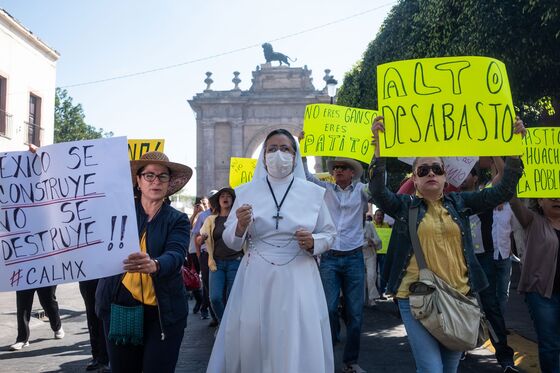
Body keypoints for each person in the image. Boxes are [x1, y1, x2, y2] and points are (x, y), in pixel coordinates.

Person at [369, 116, 524, 373]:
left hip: (458, 298)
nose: (431, 173)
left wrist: (514, 150)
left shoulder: (460, 202)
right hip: (416, 298)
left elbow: (503, 190)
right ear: (415, 181)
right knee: (432, 369)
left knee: (449, 369)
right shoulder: (404, 206)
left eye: (437, 169)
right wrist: (379, 151)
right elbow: (378, 193)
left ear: (444, 178)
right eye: (423, 170)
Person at [206, 128, 336, 373]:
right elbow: (232, 243)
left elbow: (330, 233)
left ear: (295, 156)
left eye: (285, 149)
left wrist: (314, 242)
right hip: (256, 274)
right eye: (272, 149)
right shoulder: (245, 191)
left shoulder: (313, 193)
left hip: (299, 274)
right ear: (263, 156)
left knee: (296, 332)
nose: (279, 154)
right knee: (253, 331)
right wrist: (241, 225)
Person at [95, 151, 191, 373]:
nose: (156, 181)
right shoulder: (115, 212)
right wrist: (44, 166)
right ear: (138, 181)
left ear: (169, 183)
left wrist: (156, 264)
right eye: (149, 175)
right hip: (119, 307)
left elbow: (176, 254)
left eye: (162, 176)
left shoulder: (178, 219)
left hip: (163, 313)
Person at [299, 130, 370, 372]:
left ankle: (351, 362)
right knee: (327, 309)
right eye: (335, 167)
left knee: (356, 314)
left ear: (352, 172)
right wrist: (303, 147)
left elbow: (381, 191)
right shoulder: (325, 189)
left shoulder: (363, 190)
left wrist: (378, 149)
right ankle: (326, 355)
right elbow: (305, 176)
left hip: (354, 257)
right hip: (329, 257)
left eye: (343, 167)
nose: (338, 170)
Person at [460, 161, 518, 372]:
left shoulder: (483, 198)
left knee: (491, 307)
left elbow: (504, 177)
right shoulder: (449, 199)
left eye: (468, 173)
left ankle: (505, 359)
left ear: (475, 178)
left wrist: (497, 150)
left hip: (484, 259)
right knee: (460, 306)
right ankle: (459, 349)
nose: (463, 176)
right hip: (458, 260)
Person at [510, 196, 560, 373]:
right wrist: (504, 171)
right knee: (550, 344)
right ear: (539, 201)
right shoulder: (532, 220)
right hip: (542, 295)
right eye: (551, 196)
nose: (556, 198)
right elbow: (513, 201)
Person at [200, 187, 242, 322]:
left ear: (233, 200)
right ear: (218, 201)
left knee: (232, 299)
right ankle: (224, 324)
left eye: (228, 196)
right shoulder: (211, 220)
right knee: (215, 298)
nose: (225, 198)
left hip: (236, 262)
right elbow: (199, 237)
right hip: (216, 263)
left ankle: (229, 329)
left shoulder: (239, 219)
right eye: (222, 196)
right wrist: (202, 238)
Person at [193, 190, 219, 326]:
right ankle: (214, 316)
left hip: (221, 254)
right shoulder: (203, 215)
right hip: (205, 254)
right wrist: (198, 254)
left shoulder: (226, 213)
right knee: (208, 285)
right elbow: (196, 235)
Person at [9, 286, 65, 351]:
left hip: (44, 277)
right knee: (23, 305)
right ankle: (22, 339)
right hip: (24, 278)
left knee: (48, 302)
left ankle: (57, 326)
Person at [80, 279, 110, 371]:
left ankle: (106, 357)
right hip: (88, 277)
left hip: (108, 275)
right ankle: (98, 356)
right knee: (92, 314)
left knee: (106, 314)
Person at [363, 214, 382, 306]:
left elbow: (378, 240)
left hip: (371, 254)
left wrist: (373, 241)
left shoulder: (369, 224)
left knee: (371, 276)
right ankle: (360, 299)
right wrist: (367, 242)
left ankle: (372, 298)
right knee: (360, 278)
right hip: (358, 255)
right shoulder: (353, 226)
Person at [373, 209, 391, 299]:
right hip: (373, 252)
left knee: (383, 273)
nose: (379, 217)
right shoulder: (371, 225)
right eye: (378, 215)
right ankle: (375, 292)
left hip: (383, 252)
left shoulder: (387, 225)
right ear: (374, 216)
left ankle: (382, 292)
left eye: (381, 215)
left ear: (383, 217)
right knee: (373, 273)